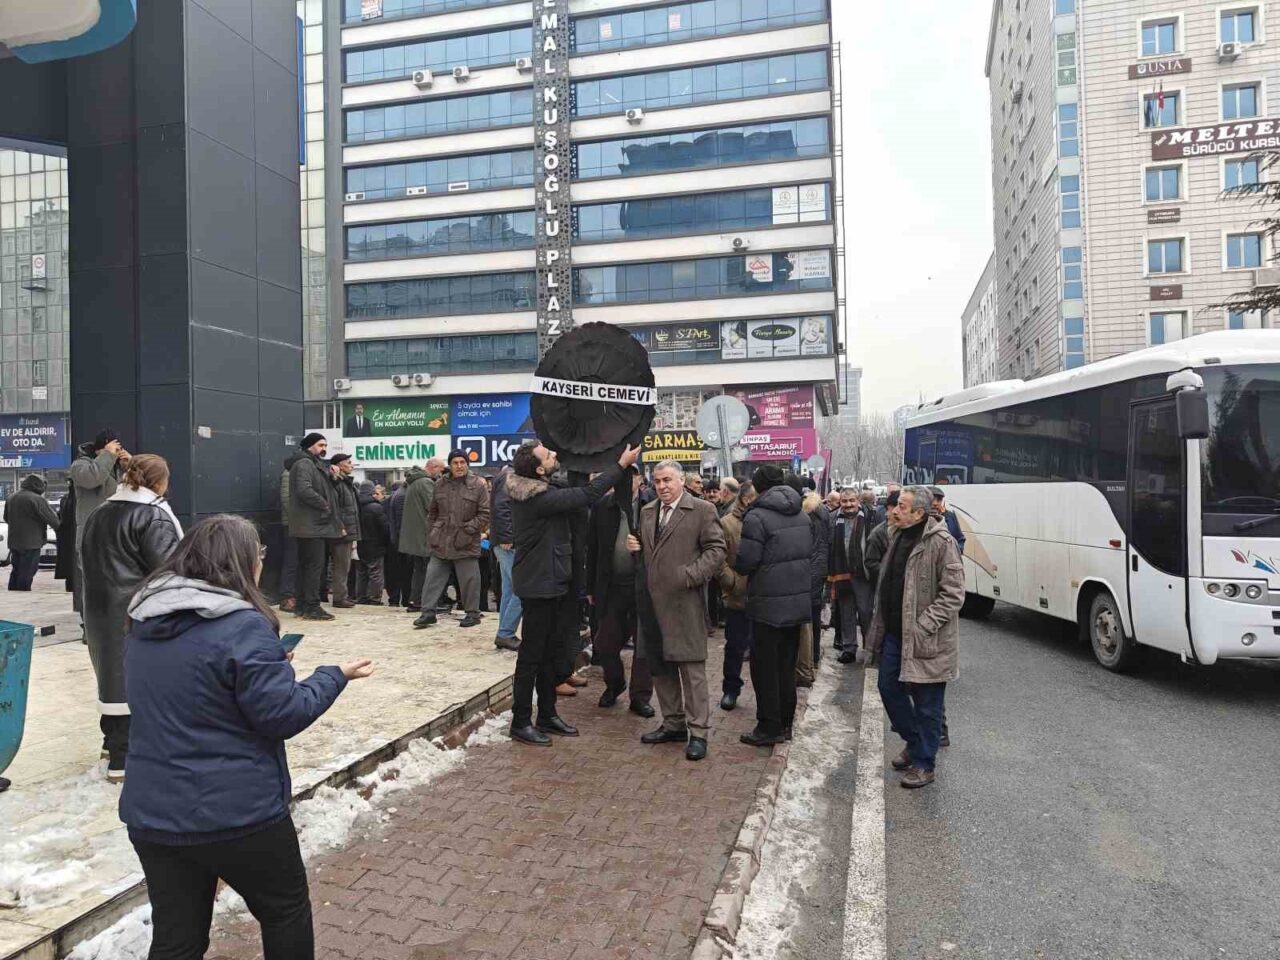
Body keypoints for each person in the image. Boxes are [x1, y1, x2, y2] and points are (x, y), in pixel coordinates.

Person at [121, 514, 373, 959]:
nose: (261, 563)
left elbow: (193, 684)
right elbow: (283, 714)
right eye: (258, 554)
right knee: (285, 911)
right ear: (240, 562)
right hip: (236, 812)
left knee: (177, 939)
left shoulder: (143, 622)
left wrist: (267, 667)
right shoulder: (243, 626)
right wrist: (331, 676)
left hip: (154, 812)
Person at [506, 442, 639, 745]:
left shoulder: (545, 489)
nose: (554, 456)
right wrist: (620, 464)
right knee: (531, 657)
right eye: (548, 455)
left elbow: (576, 486)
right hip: (538, 585)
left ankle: (547, 714)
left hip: (553, 582)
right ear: (539, 469)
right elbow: (588, 494)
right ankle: (521, 721)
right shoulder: (537, 498)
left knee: (549, 654)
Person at [81, 455, 182, 781]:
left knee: (111, 681)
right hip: (138, 614)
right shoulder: (153, 516)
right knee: (137, 682)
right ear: (160, 482)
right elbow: (168, 573)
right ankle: (124, 759)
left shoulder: (100, 512)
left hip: (100, 610)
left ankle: (111, 745)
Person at [865, 485, 964, 789]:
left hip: (927, 640)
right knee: (888, 687)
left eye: (902, 507)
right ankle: (914, 741)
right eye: (896, 505)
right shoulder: (896, 535)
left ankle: (924, 764)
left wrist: (923, 625)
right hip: (895, 635)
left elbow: (954, 594)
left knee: (927, 704)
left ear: (919, 513)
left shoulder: (942, 543)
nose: (894, 510)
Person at [631, 460, 726, 762]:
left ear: (682, 480)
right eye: (658, 481)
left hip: (686, 603)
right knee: (661, 666)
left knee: (691, 669)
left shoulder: (701, 510)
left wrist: (690, 576)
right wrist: (636, 548)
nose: (662, 486)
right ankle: (672, 723)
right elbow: (651, 553)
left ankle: (698, 732)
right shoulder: (648, 511)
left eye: (668, 480)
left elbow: (717, 550)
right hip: (653, 603)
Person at [734, 465, 811, 747]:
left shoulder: (757, 516)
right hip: (796, 602)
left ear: (758, 486)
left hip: (767, 605)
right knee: (786, 666)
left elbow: (747, 561)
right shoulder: (802, 514)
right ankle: (786, 724)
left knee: (765, 669)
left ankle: (769, 726)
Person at [587, 468, 654, 717]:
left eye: (630, 477)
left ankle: (640, 697)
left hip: (643, 586)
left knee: (643, 645)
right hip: (612, 586)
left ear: (640, 479)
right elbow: (593, 548)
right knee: (604, 642)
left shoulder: (652, 506)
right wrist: (590, 587)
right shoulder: (603, 506)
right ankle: (614, 684)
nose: (625, 482)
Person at [415, 451, 489, 629]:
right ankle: (428, 613)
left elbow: (485, 514)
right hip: (441, 541)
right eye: (455, 462)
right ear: (450, 465)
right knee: (432, 578)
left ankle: (472, 614)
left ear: (467, 464)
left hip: (466, 541)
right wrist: (432, 532)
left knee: (470, 580)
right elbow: (433, 512)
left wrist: (469, 530)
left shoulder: (478, 485)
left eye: (462, 462)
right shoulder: (440, 484)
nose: (459, 466)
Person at [70, 429, 130, 611]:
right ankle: (90, 622)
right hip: (92, 535)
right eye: (113, 449)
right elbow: (91, 479)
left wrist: (130, 466)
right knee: (93, 584)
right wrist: (107, 455)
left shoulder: (116, 467)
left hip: (116, 534)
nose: (116, 454)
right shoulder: (80, 465)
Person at [288, 433, 340, 621]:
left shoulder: (313, 464)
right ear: (310, 445)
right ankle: (311, 606)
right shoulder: (305, 464)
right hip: (311, 524)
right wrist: (324, 504)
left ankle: (303, 605)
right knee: (313, 567)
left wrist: (332, 477)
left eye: (325, 445)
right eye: (320, 445)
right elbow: (304, 490)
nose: (323, 448)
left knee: (307, 566)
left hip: (312, 524)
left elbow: (322, 488)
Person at [716, 481, 755, 710]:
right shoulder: (727, 523)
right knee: (735, 647)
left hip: (763, 596)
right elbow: (718, 557)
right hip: (737, 596)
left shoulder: (766, 520)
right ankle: (730, 689)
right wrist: (732, 582)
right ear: (745, 498)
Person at [830, 487, 878, 665]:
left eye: (852, 500)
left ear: (858, 501)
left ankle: (870, 649)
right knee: (846, 613)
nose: (848, 504)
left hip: (863, 574)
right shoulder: (833, 519)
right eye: (844, 501)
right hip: (841, 573)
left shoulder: (871, 517)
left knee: (866, 612)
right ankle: (849, 648)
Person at [397, 460, 441, 612]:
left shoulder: (414, 482)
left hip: (416, 535)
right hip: (424, 535)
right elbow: (433, 507)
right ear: (434, 467)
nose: (440, 474)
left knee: (420, 570)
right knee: (428, 571)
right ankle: (424, 602)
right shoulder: (425, 482)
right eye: (440, 470)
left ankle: (416, 601)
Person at [4, 474, 59, 590]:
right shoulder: (37, 499)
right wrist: (61, 531)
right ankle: (23, 592)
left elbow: (6, 518)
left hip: (14, 541)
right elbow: (53, 520)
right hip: (32, 542)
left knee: (16, 569)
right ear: (37, 485)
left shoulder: (11, 497)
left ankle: (13, 592)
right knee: (28, 570)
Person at [490, 464, 522, 651]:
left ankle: (504, 631)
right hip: (508, 542)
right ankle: (505, 633)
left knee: (510, 590)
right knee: (521, 589)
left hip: (505, 541)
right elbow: (502, 507)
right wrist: (507, 537)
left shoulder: (506, 474)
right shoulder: (510, 475)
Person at [326, 454, 359, 609]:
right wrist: (341, 527)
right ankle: (339, 598)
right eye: (348, 462)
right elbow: (335, 508)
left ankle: (342, 596)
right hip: (342, 531)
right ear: (339, 465)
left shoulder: (346, 483)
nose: (351, 465)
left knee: (345, 565)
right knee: (341, 565)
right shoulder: (337, 483)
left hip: (348, 529)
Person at [277, 451, 303, 613]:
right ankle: (287, 597)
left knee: (297, 561)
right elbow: (287, 500)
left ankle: (294, 595)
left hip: (299, 525)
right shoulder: (288, 475)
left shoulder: (297, 475)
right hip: (292, 525)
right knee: (291, 561)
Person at [355, 480, 389, 604]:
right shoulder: (376, 507)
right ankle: (374, 599)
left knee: (362, 573)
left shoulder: (356, 507)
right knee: (375, 573)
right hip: (375, 545)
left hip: (360, 544)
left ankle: (361, 597)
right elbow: (384, 528)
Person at [931, 487, 966, 557]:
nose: (935, 503)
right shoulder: (918, 518)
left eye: (939, 500)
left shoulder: (949, 515)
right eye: (932, 499)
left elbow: (960, 538)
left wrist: (957, 550)